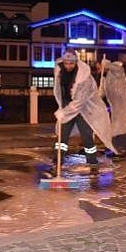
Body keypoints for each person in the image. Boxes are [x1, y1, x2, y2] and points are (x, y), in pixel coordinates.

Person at [49, 48, 117, 177]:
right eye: (66, 63)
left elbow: (80, 101)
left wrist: (65, 111)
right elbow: (61, 91)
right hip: (67, 107)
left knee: (87, 138)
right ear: (63, 62)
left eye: (71, 63)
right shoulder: (59, 71)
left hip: (84, 110)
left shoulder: (84, 77)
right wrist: (62, 108)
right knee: (62, 139)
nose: (68, 66)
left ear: (76, 62)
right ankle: (57, 163)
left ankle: (93, 165)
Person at [101, 58, 126, 158]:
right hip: (116, 106)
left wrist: (106, 64)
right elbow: (103, 92)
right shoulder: (107, 78)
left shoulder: (118, 73)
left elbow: (117, 69)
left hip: (123, 105)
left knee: (119, 127)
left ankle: (118, 147)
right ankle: (119, 147)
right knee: (117, 127)